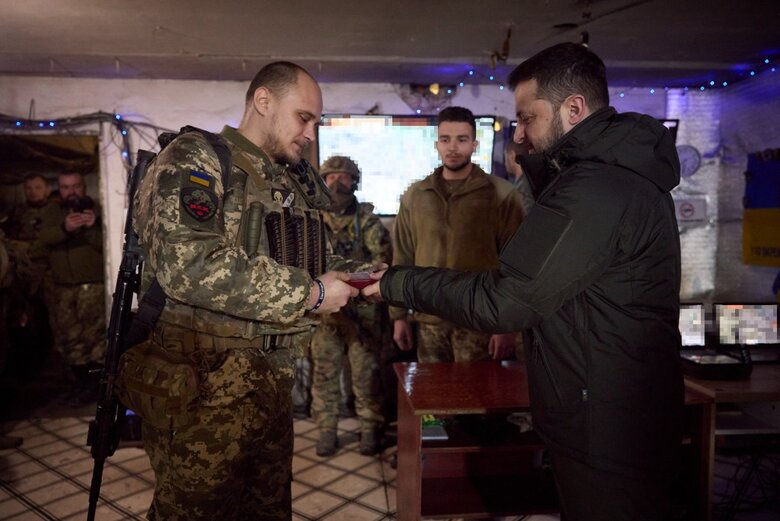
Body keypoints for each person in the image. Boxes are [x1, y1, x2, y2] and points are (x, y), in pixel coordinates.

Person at [365, 42, 684, 521]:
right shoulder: (601, 179)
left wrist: (398, 284)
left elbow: (507, 299)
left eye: (527, 118)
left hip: (607, 419)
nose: (519, 134)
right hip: (601, 405)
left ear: (573, 109)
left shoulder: (596, 188)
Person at [130, 61, 367, 521]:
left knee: (267, 510)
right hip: (204, 386)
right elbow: (188, 265)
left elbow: (312, 263)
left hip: (271, 383)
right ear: (264, 101)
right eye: (305, 118)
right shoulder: (196, 158)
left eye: (316, 122)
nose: (311, 134)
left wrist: (363, 277)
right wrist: (311, 295)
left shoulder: (289, 180)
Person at [390, 106, 524, 363]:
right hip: (429, 321)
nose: (453, 147)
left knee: (478, 399)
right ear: (436, 144)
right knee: (432, 399)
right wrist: (399, 317)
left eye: (462, 139)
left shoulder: (501, 194)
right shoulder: (416, 195)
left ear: (474, 144)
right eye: (445, 139)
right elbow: (403, 258)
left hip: (479, 321)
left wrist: (507, 324)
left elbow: (516, 264)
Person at [311, 155, 392, 457]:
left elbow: (381, 262)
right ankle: (326, 430)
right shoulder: (313, 220)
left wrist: (346, 280)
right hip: (325, 315)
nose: (335, 182)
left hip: (363, 315)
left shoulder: (369, 222)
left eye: (343, 177)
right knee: (324, 374)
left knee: (366, 376)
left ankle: (370, 429)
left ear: (354, 182)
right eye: (330, 176)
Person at [37, 171, 106, 405]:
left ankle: (97, 390)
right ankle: (82, 386)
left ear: (84, 187)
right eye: (66, 187)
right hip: (63, 289)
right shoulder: (52, 212)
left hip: (93, 287)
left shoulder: (100, 208)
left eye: (76, 186)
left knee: (97, 340)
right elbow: (44, 238)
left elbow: (110, 245)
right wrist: (64, 228)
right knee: (71, 340)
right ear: (59, 189)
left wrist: (93, 227)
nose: (72, 191)